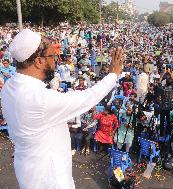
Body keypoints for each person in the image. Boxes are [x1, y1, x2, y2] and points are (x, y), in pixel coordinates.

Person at [1, 29, 123, 189]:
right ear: (39, 61)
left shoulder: (9, 86)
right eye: (52, 56)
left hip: (27, 172)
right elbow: (87, 98)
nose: (56, 61)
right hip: (50, 180)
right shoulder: (40, 100)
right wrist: (113, 74)